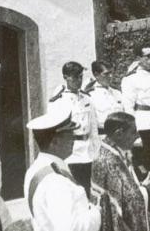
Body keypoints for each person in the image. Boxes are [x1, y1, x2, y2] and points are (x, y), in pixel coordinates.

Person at [24, 100, 101, 231]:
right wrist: (97, 212)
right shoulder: (56, 182)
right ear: (54, 143)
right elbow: (72, 228)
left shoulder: (38, 168)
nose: (74, 140)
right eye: (69, 136)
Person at [121, 44, 150, 211]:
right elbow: (128, 108)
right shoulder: (130, 80)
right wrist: (133, 134)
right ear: (139, 59)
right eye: (148, 56)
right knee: (143, 164)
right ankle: (144, 200)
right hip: (143, 124)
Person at [92, 112, 150, 231]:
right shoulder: (111, 161)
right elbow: (130, 201)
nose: (137, 136)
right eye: (133, 132)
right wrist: (145, 189)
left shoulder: (109, 151)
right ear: (119, 134)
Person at [49, 61, 100, 197]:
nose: (78, 80)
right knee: (74, 192)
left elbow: (93, 128)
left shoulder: (87, 98)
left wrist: (96, 151)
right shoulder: (59, 101)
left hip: (87, 151)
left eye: (80, 76)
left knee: (88, 190)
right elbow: (55, 132)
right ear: (65, 77)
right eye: (74, 77)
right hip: (71, 153)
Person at [84, 60, 123, 135]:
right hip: (102, 136)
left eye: (111, 72)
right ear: (96, 75)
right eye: (106, 74)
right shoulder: (90, 95)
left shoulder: (117, 93)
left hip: (120, 136)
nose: (110, 76)